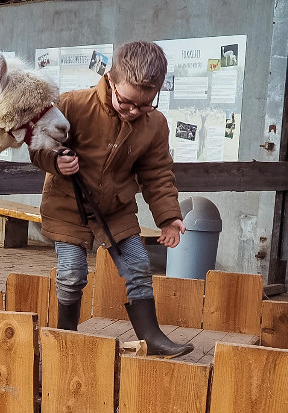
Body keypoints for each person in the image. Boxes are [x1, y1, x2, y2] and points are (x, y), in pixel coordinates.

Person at [30, 41, 193, 358]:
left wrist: (169, 217)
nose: (135, 111)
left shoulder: (154, 124)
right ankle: (67, 336)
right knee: (72, 273)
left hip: (116, 210)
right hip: (68, 207)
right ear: (111, 79)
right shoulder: (72, 104)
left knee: (138, 266)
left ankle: (152, 337)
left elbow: (157, 172)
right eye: (127, 102)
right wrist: (55, 162)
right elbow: (39, 145)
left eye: (145, 105)